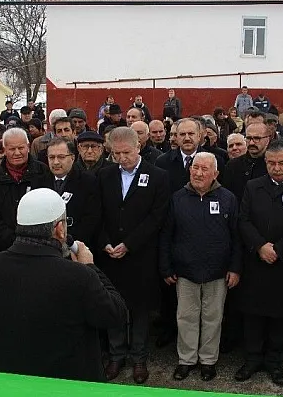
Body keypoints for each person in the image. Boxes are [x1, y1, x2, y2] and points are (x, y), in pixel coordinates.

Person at [0, 187, 126, 380]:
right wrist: (91, 267)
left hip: (12, 382)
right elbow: (115, 314)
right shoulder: (78, 275)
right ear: (59, 229)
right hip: (70, 386)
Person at [235, 139, 283, 386]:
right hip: (256, 262)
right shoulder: (253, 186)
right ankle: (252, 359)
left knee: (281, 316)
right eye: (271, 163)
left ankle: (274, 361)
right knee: (254, 315)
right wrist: (260, 246)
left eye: (282, 163)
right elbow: (243, 220)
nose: (276, 168)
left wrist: (278, 250)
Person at [159, 152, 241, 382]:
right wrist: (166, 267)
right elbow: (166, 235)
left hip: (217, 272)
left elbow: (236, 237)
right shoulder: (177, 198)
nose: (198, 173)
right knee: (185, 317)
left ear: (215, 174)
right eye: (195, 167)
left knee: (213, 317)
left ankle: (208, 360)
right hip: (185, 272)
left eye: (205, 169)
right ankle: (186, 360)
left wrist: (235, 268)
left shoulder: (228, 199)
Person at [97, 127, 169, 384]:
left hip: (140, 254)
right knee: (113, 306)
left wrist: (129, 244)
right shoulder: (104, 175)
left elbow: (156, 217)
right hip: (110, 255)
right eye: (116, 154)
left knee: (139, 309)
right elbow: (99, 214)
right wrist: (105, 242)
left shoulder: (158, 176)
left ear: (138, 146)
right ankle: (116, 355)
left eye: (126, 152)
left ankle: (139, 357)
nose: (121, 158)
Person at [0, 128, 54, 253]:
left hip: (38, 245)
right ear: (4, 150)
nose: (17, 153)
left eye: (21, 148)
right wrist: (8, 238)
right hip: (3, 247)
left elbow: (50, 206)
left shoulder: (43, 172)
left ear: (28, 147)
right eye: (12, 149)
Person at [46, 138, 100, 246]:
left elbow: (91, 219)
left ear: (72, 158)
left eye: (61, 157)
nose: (56, 162)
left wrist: (69, 243)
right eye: (52, 157)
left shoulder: (88, 182)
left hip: (76, 247)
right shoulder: (40, 181)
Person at [221, 123, 270, 203]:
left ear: (267, 140)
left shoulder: (273, 165)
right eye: (248, 138)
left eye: (257, 138)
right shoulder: (232, 166)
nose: (251, 143)